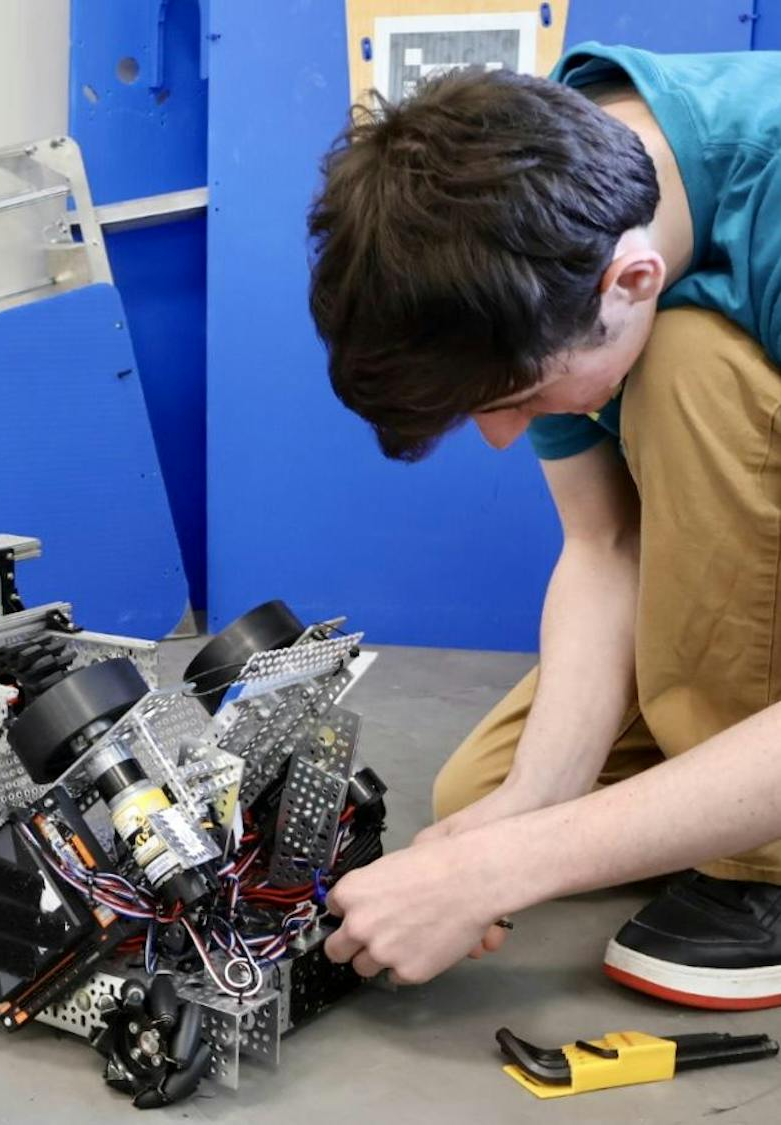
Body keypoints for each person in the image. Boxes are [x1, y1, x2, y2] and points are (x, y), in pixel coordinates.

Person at [307, 43, 781, 1009]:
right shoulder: (533, 213)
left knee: (687, 363)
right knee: (482, 802)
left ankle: (761, 862)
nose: (502, 435)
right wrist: (526, 815)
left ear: (632, 281)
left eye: (519, 397)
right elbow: (605, 546)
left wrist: (507, 868)